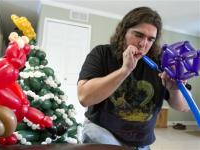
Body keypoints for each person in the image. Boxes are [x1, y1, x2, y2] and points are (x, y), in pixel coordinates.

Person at [77, 7, 190, 150]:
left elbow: (185, 107)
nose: (143, 44)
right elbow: (84, 97)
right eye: (138, 35)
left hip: (141, 141)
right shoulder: (102, 53)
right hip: (101, 132)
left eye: (150, 39)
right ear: (123, 31)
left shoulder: (161, 62)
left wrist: (174, 90)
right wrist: (125, 70)